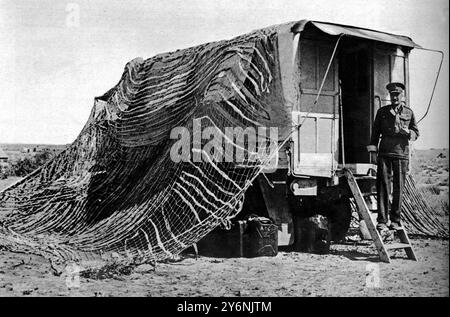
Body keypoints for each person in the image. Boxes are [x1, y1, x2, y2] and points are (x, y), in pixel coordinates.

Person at [367, 82, 419, 233]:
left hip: (401, 154)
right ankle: (382, 221)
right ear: (390, 96)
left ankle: (395, 220)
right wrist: (373, 152)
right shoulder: (382, 112)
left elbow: (416, 132)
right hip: (385, 153)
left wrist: (408, 133)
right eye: (392, 95)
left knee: (399, 188)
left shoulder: (409, 112)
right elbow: (375, 133)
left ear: (402, 96)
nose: (395, 97)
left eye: (397, 95)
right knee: (383, 187)